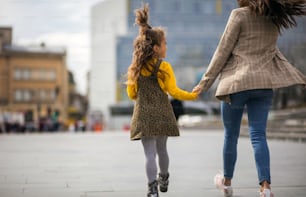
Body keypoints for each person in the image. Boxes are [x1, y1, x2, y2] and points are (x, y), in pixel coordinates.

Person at [192, 0, 306, 197]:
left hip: (237, 83)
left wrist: (204, 83)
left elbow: (222, 51)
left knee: (231, 135)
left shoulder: (239, 15)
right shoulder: (274, 17)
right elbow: (271, 50)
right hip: (263, 84)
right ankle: (265, 187)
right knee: (258, 135)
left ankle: (227, 183)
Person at [126, 4, 198, 197]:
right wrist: (192, 95)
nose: (167, 47)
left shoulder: (136, 68)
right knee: (162, 149)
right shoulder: (164, 67)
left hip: (143, 114)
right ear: (156, 48)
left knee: (149, 154)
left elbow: (132, 94)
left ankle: (152, 189)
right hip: (162, 113)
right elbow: (173, 91)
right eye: (165, 44)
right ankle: (164, 176)